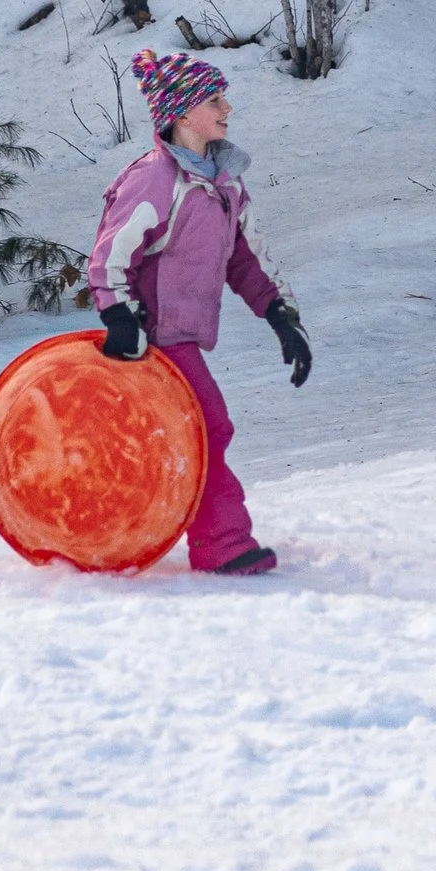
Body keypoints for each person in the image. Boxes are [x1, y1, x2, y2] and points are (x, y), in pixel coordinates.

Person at [87, 50, 311, 575]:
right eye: (216, 99)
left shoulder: (224, 181)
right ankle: (223, 546)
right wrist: (120, 317)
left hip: (183, 334)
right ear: (185, 113)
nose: (228, 107)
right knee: (208, 428)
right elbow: (111, 254)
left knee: (184, 435)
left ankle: (131, 528)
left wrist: (281, 315)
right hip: (154, 338)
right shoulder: (154, 181)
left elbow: (245, 256)